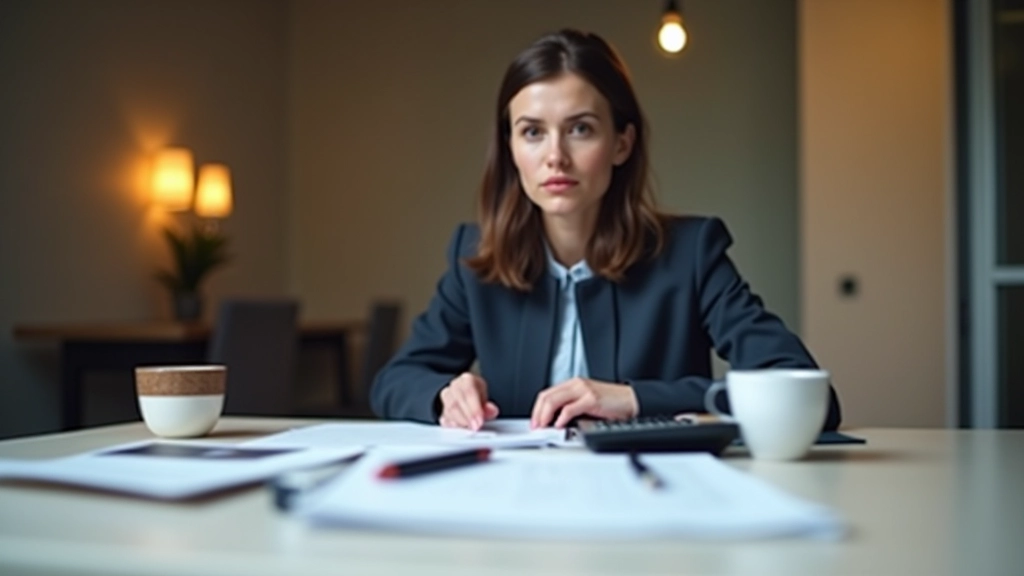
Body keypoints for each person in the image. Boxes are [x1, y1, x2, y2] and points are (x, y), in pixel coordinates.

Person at [370, 29, 841, 432]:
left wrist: (636, 400)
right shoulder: (475, 258)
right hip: (518, 505)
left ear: (621, 142)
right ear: (511, 148)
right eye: (533, 132)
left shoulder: (691, 254)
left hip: (655, 505)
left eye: (580, 129)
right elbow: (394, 380)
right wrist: (444, 395)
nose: (555, 156)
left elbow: (808, 395)